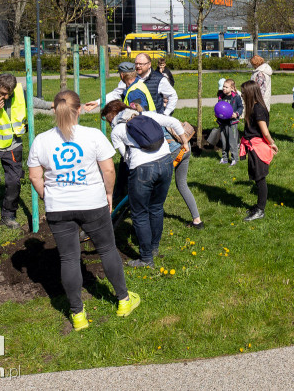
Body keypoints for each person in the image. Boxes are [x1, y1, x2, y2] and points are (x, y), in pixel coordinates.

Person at [28, 91, 140, 329]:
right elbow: (109, 171)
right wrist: (109, 194)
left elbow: (34, 176)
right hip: (93, 203)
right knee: (107, 249)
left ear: (54, 110)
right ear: (79, 109)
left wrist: (47, 196)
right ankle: (123, 300)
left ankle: (78, 316)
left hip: (58, 208)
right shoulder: (94, 135)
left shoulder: (41, 140)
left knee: (68, 258)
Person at [102, 100, 188, 267]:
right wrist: (184, 142)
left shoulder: (117, 131)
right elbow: (174, 122)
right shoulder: (146, 115)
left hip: (142, 169)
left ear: (112, 115)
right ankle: (154, 247)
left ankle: (146, 258)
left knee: (140, 214)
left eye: (107, 119)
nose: (108, 123)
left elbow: (126, 158)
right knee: (156, 207)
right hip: (165, 162)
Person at [0, 72, 54, 229]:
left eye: (9, 94)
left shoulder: (19, 92)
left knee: (13, 181)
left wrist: (50, 105)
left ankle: (9, 214)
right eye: (3, 94)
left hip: (13, 145)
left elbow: (32, 101)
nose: (6, 98)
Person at [238, 80, 278, 222]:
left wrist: (272, 144)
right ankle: (259, 206)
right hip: (252, 146)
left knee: (260, 178)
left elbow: (265, 132)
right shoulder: (252, 107)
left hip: (258, 147)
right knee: (257, 177)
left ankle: (260, 210)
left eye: (243, 92)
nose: (241, 95)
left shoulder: (258, 109)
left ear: (250, 93)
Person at [91, 55, 178, 115]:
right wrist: (98, 102)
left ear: (149, 64)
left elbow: (173, 96)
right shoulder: (129, 79)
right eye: (136, 64)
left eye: (141, 64)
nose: (138, 66)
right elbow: (115, 94)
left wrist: (166, 114)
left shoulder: (159, 79)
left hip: (158, 121)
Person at [216, 79, 244, 166]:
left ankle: (234, 159)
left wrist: (237, 114)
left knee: (232, 142)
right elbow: (219, 107)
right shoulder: (221, 96)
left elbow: (241, 107)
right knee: (224, 142)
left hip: (232, 123)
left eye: (226, 87)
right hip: (222, 123)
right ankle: (224, 158)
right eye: (223, 86)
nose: (224, 88)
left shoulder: (236, 97)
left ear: (232, 88)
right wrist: (217, 113)